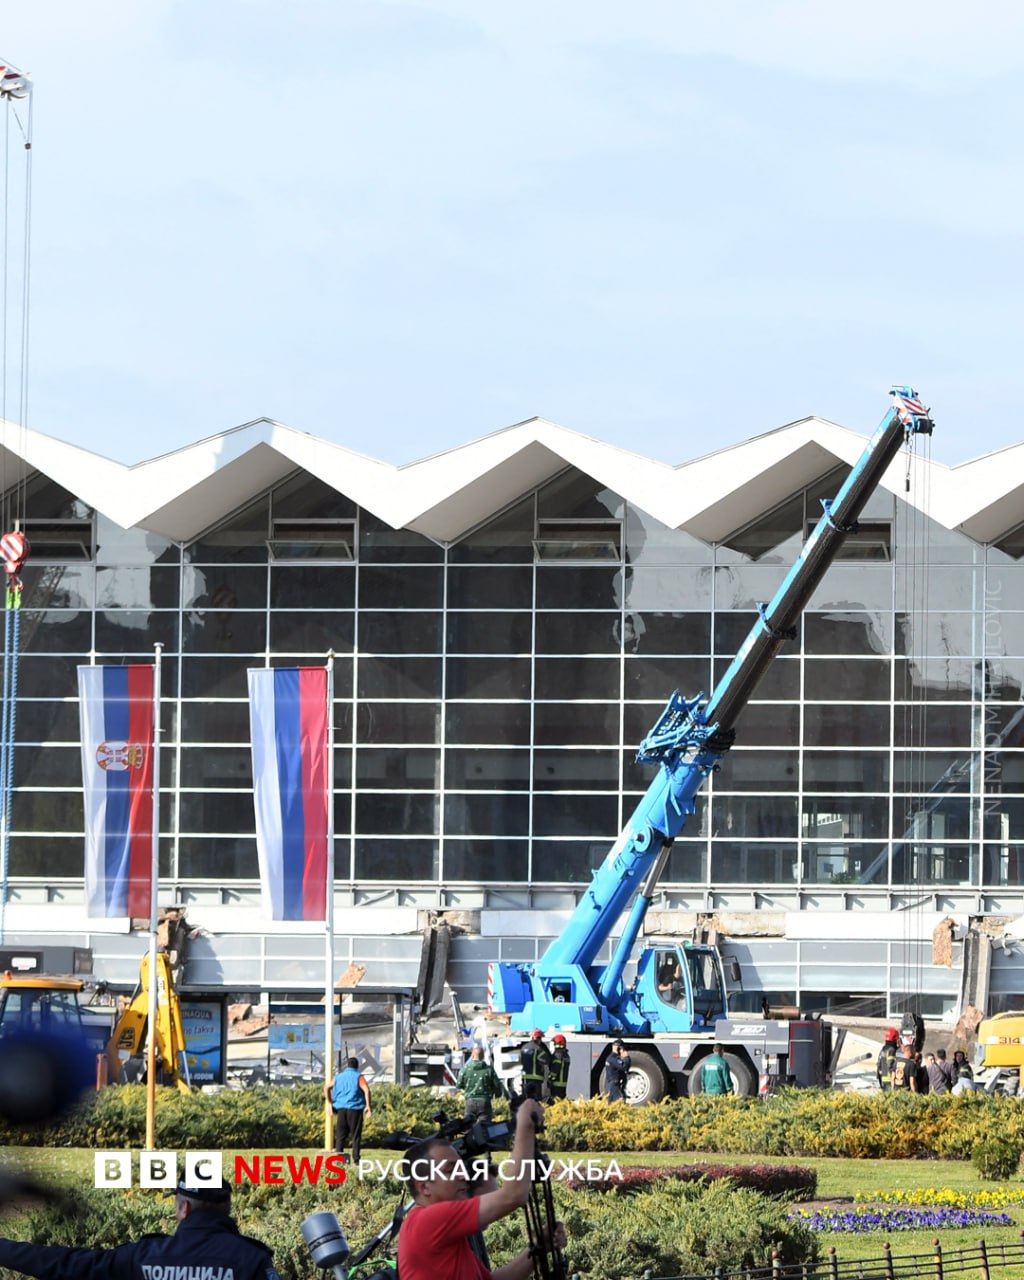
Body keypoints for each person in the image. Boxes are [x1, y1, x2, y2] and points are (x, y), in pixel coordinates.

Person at [397, 1097, 562, 1280]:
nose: (463, 1176)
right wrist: (524, 1123)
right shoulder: (428, 1220)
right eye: (450, 1170)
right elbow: (513, 1195)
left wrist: (539, 1249)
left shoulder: (445, 1232)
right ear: (424, 1187)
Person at [0, 1177, 279, 1280]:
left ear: (184, 1209)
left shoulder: (145, 1256)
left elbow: (68, 1264)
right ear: (227, 1208)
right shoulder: (252, 1259)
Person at [325, 1055, 372, 1165]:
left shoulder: (338, 1077)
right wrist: (368, 1106)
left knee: (340, 1136)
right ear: (357, 1066)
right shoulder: (359, 1077)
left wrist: (329, 1102)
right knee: (355, 1135)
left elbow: (326, 1087)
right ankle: (356, 1159)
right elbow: (367, 1090)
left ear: (347, 1066)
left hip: (341, 1109)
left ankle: (338, 1158)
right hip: (355, 1109)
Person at [456, 1046, 502, 1122]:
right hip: (485, 1102)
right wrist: (497, 1095)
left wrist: (467, 1088)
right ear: (483, 1056)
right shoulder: (489, 1069)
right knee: (484, 1128)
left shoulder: (465, 1069)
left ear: (472, 1055)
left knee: (468, 1126)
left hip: (470, 1102)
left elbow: (458, 1084)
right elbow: (497, 1085)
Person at [520, 1030, 551, 1101]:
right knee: (536, 1099)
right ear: (539, 1038)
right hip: (536, 1078)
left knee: (526, 1098)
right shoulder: (538, 1049)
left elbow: (521, 1060)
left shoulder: (524, 1047)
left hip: (525, 1078)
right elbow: (546, 1060)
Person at [547, 1034, 570, 1101]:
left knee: (555, 1102)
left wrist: (549, 1079)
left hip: (556, 1085)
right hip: (563, 1084)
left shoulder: (558, 1055)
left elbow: (555, 1070)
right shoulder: (566, 1055)